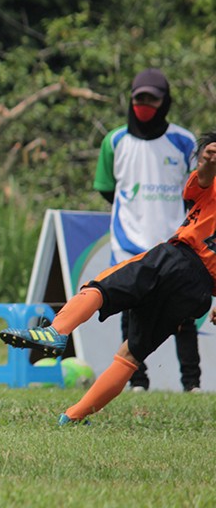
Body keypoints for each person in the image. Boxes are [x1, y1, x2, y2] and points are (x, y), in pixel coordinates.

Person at [2, 131, 216, 425]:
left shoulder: (211, 187)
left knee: (100, 287)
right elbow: (205, 175)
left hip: (175, 260)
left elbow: (203, 178)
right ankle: (74, 416)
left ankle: (57, 331)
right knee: (131, 355)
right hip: (198, 293)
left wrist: (207, 161)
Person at [93, 67, 200, 392]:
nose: (144, 106)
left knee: (183, 316)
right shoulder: (115, 141)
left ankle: (192, 384)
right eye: (139, 99)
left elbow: (196, 191)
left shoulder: (184, 141)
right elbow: (106, 188)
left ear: (165, 101)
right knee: (130, 314)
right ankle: (137, 382)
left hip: (174, 244)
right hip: (129, 243)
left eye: (152, 99)